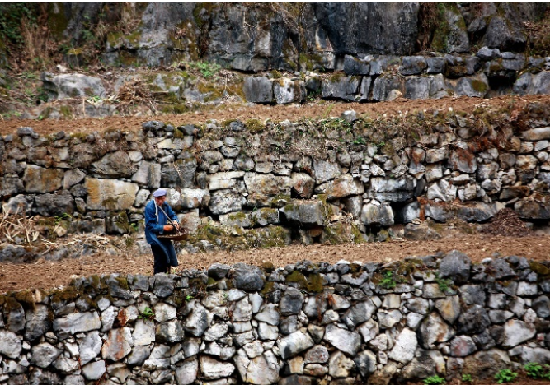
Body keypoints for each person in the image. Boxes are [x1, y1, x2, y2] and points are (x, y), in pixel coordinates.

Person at [144, 188, 180, 274]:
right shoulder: (150, 207)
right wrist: (164, 227)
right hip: (153, 236)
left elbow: (172, 215)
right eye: (158, 199)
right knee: (160, 257)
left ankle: (167, 274)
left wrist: (175, 221)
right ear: (155, 198)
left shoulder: (165, 206)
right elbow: (150, 226)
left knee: (169, 255)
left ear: (165, 198)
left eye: (162, 199)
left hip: (163, 236)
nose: (160, 201)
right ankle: (158, 278)